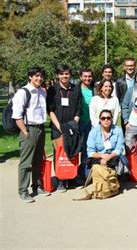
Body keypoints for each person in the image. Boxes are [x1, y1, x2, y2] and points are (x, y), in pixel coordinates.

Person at [12, 67, 50, 202]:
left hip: (40, 128)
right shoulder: (23, 92)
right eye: (36, 76)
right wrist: (25, 132)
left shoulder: (41, 92)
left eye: (41, 76)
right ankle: (23, 190)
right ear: (30, 77)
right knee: (26, 162)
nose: (39, 79)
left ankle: (37, 186)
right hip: (29, 129)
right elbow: (17, 115)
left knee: (37, 160)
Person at [47, 64, 82, 193]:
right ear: (58, 75)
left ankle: (71, 177)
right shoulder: (53, 89)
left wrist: (74, 123)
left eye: (66, 74)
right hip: (58, 127)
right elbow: (50, 110)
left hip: (72, 126)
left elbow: (78, 108)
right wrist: (60, 127)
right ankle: (61, 180)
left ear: (70, 75)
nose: (64, 76)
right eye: (61, 74)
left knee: (72, 151)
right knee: (60, 153)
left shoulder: (76, 89)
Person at [78, 68, 94, 182]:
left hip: (91, 124)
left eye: (89, 76)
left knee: (86, 150)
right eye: (85, 76)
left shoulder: (95, 90)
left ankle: (84, 174)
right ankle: (72, 175)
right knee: (75, 150)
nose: (87, 78)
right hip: (78, 123)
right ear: (80, 77)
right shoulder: (76, 90)